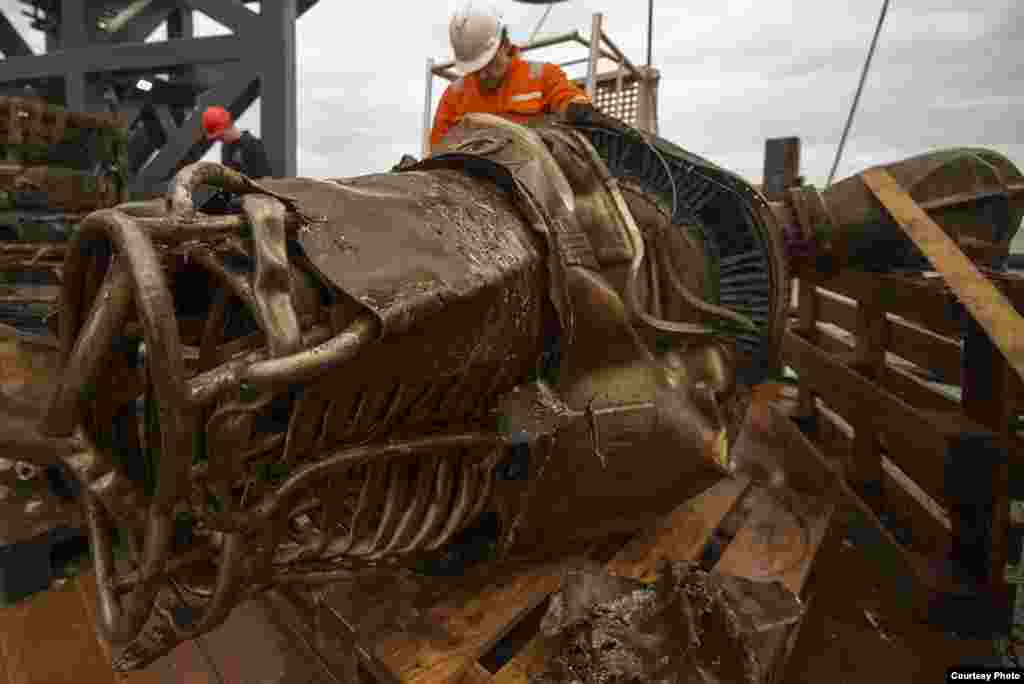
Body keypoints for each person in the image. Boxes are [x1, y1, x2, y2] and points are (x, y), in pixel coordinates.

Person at [429, 2, 595, 151]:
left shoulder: (542, 76)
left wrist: (577, 106)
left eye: (489, 64)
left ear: (505, 45)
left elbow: (567, 97)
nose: (483, 75)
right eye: (475, 69)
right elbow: (437, 152)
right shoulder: (454, 97)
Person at [201, 106, 273, 179]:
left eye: (220, 135)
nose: (219, 140)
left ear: (229, 126)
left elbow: (265, 180)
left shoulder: (253, 145)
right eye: (217, 137)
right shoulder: (226, 147)